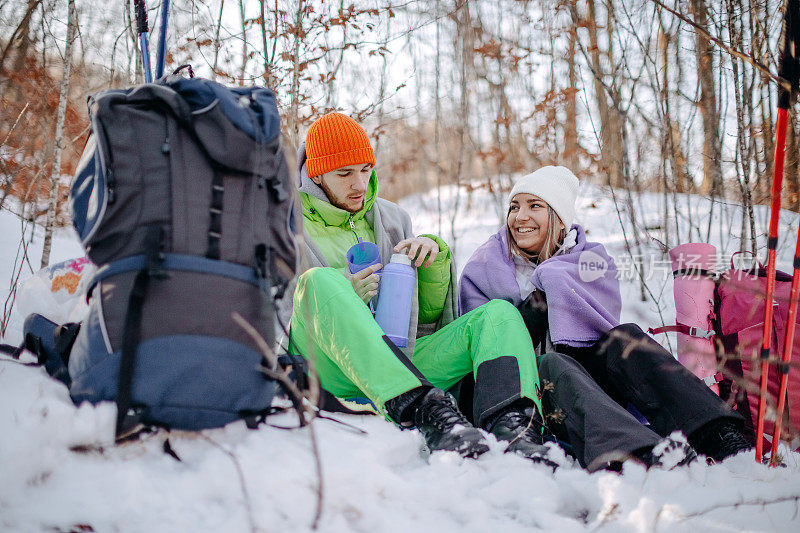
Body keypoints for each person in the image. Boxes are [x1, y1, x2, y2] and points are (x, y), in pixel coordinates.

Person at [282, 112, 553, 463]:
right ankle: (429, 413)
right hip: (327, 368)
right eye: (344, 173)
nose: (359, 184)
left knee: (498, 314)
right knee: (319, 280)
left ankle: (517, 427)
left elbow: (422, 325)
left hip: (400, 362)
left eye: (366, 169)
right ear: (316, 174)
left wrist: (433, 261)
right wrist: (343, 291)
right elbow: (278, 313)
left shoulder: (393, 218)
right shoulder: (285, 222)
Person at [459, 166, 753, 465]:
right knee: (553, 362)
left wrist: (555, 282)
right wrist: (539, 302)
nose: (520, 217)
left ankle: (716, 432)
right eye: (514, 207)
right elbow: (481, 347)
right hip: (524, 393)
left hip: (588, 386)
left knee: (627, 338)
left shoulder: (590, 261)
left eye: (534, 206)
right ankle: (638, 450)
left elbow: (598, 329)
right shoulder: (485, 266)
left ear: (560, 220)